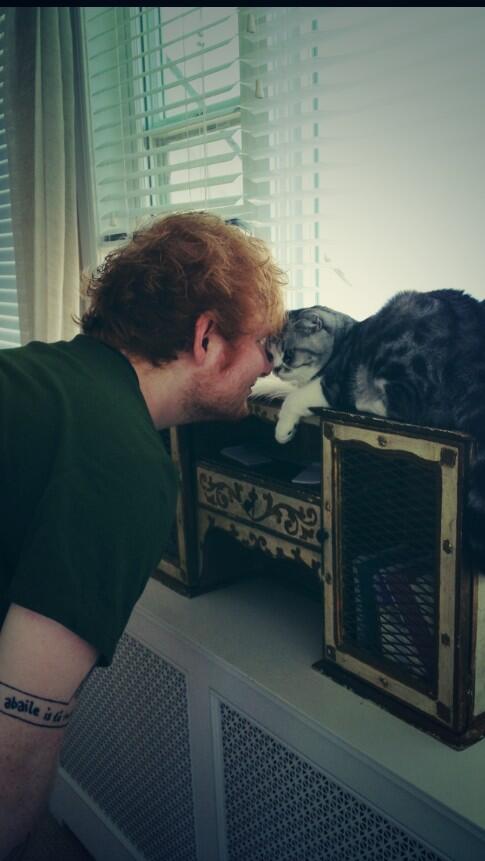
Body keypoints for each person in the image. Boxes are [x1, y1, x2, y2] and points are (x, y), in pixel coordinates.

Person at [0, 211, 286, 859]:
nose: (269, 369)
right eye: (266, 344)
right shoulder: (124, 460)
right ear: (207, 337)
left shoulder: (49, 378)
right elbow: (13, 750)